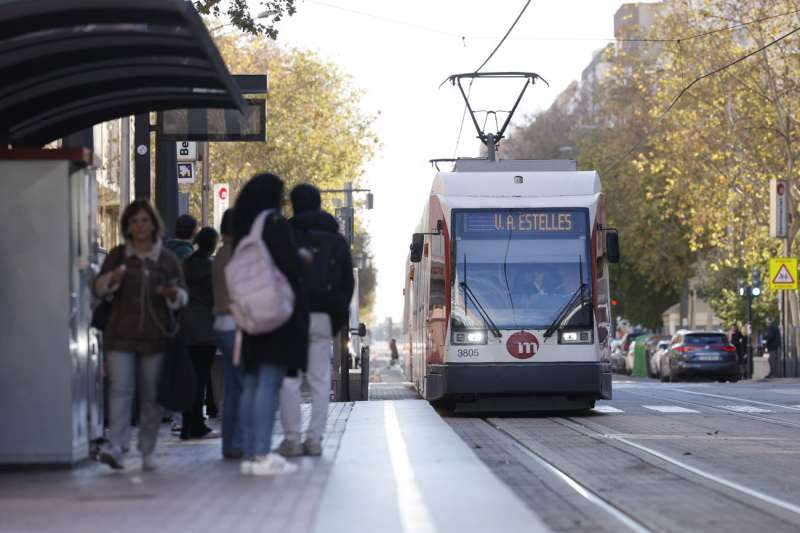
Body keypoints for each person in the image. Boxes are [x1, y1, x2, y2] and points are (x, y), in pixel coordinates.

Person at [94, 200, 187, 471]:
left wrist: (172, 295)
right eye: (134, 221)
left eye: (145, 220)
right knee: (121, 391)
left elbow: (183, 296)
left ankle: (147, 449)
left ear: (154, 224)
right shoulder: (118, 256)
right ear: (127, 226)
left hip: (155, 337)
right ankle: (118, 447)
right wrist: (113, 278)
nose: (140, 226)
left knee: (151, 395)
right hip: (119, 335)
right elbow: (98, 289)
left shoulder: (167, 259)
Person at [233, 173, 308, 476]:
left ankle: (252, 452)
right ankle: (263, 454)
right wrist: (301, 256)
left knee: (251, 383)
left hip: (250, 312)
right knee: (269, 380)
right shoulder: (274, 222)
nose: (283, 200)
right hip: (273, 312)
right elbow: (287, 262)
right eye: (281, 194)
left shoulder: (243, 224)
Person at [276, 184, 354, 458]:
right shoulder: (336, 240)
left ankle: (292, 440)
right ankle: (315, 439)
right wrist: (336, 313)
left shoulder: (285, 234)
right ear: (319, 203)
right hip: (322, 316)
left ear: (293, 205)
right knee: (320, 379)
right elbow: (347, 282)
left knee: (289, 379)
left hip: (289, 314)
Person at [180, 226, 221, 440]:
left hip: (186, 325)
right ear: (213, 244)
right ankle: (197, 424)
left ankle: (188, 423)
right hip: (206, 327)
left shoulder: (185, 264)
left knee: (189, 377)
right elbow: (216, 296)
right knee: (201, 377)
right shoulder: (211, 268)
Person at [212, 209, 243, 458]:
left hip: (224, 324)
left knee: (234, 385)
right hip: (234, 324)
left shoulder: (222, 253)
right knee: (238, 386)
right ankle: (234, 443)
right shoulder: (233, 254)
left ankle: (231, 443)